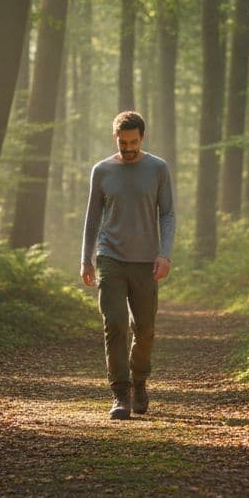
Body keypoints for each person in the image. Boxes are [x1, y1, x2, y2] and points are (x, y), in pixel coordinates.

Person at [81, 110, 175, 420]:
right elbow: (93, 217)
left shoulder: (158, 169)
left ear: (142, 138)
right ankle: (120, 394)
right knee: (116, 323)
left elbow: (168, 214)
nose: (128, 148)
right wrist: (86, 258)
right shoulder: (102, 170)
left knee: (144, 328)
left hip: (146, 261)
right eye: (123, 142)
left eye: (133, 142)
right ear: (115, 139)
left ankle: (139, 382)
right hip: (111, 257)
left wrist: (165, 253)